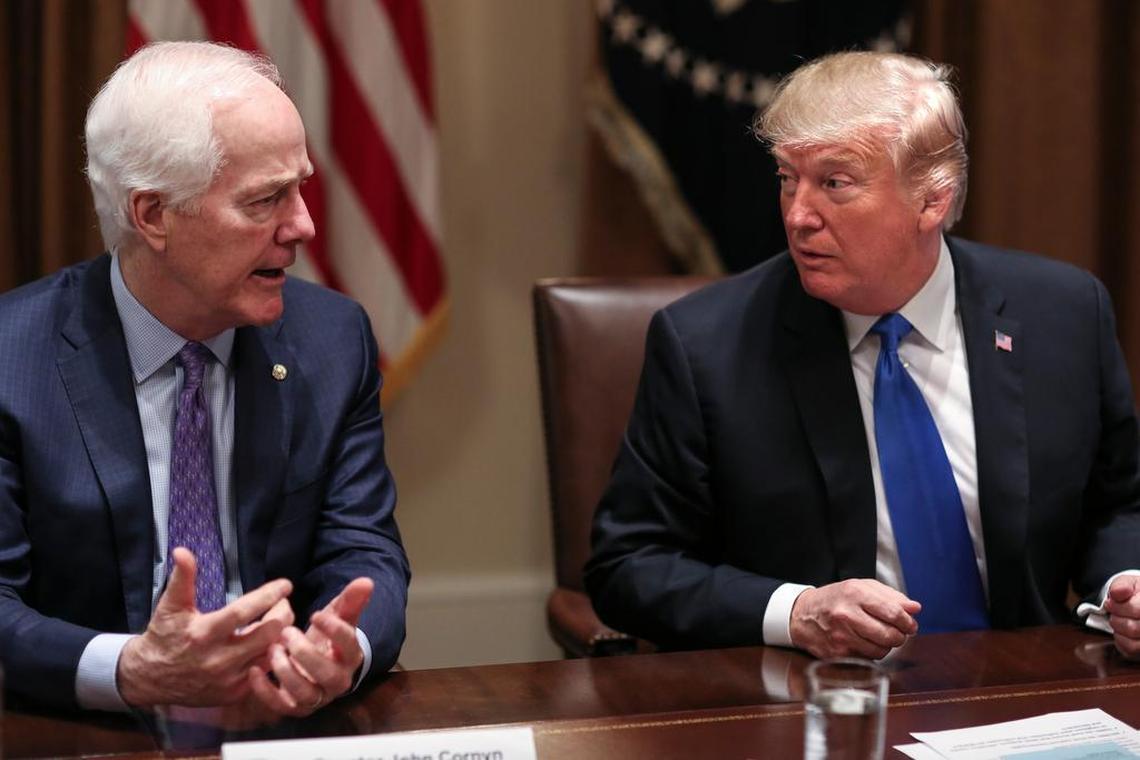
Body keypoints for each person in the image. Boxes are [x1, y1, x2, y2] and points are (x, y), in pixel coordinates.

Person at [585, 51, 1140, 661]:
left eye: (834, 183)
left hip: (1024, 693)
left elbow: (1119, 505)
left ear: (931, 201)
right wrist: (795, 611)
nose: (798, 216)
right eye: (786, 178)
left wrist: (1123, 586)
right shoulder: (705, 345)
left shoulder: (1063, 313)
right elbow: (628, 566)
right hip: (817, 704)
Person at [0, 41, 410, 714]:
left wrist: (341, 647)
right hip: (86, 732)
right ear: (153, 215)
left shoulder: (333, 340)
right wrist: (131, 669)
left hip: (286, 723)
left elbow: (363, 547)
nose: (302, 226)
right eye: (264, 201)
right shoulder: (13, 359)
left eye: (301, 186)